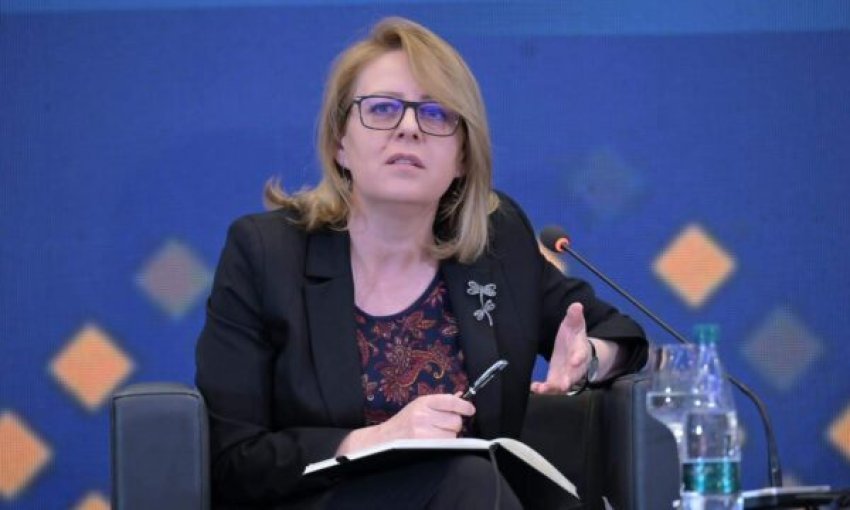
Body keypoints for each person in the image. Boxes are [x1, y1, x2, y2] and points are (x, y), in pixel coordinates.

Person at [195, 16, 647, 509]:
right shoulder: (266, 253)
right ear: (340, 142)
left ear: (462, 157)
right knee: (471, 481)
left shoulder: (497, 245)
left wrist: (591, 358)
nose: (409, 128)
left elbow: (619, 334)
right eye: (382, 109)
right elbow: (232, 460)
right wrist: (380, 438)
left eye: (435, 114)